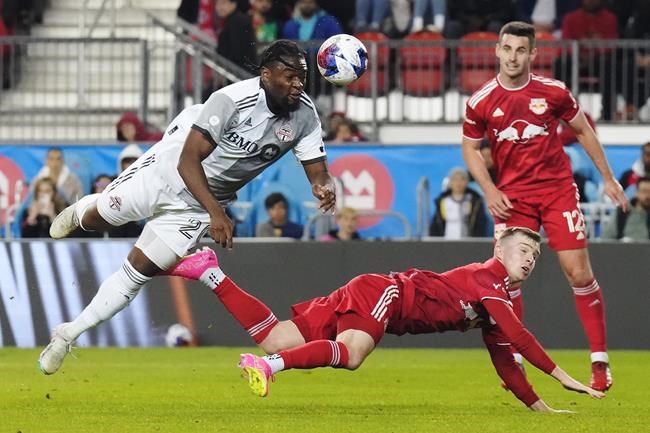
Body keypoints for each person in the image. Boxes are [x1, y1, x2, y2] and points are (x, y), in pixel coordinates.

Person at [38, 40, 337, 375]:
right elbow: (188, 161)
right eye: (290, 76)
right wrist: (216, 213)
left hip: (197, 207)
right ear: (266, 75)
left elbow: (318, 171)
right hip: (167, 172)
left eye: (302, 77)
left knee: (138, 272)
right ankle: (83, 209)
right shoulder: (232, 100)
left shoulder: (305, 116)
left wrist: (323, 185)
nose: (298, 84)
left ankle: (67, 334)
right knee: (100, 218)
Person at [163, 227, 605, 410]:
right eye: (523, 250)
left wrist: (541, 408)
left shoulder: (500, 298)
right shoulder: (487, 279)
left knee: (277, 336)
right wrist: (563, 376)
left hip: (374, 293)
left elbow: (505, 357)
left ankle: (210, 272)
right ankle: (269, 367)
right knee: (353, 354)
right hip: (386, 293)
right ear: (499, 249)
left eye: (534, 256)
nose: (528, 260)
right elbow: (520, 337)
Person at [461, 21, 629, 391]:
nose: (513, 57)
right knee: (508, 276)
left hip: (557, 192)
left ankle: (600, 361)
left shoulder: (553, 92)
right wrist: (489, 189)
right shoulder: (481, 100)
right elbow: (470, 148)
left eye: (521, 50)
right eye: (507, 49)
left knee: (578, 273)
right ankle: (515, 361)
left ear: (533, 54)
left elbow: (583, 130)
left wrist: (608, 178)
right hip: (512, 197)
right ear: (497, 51)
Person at [429, 167, 488, 238]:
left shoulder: (474, 201)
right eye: (455, 179)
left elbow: (480, 223)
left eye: (462, 179)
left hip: (468, 240)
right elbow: (437, 224)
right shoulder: (442, 201)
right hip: (447, 240)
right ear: (450, 182)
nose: (458, 183)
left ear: (467, 182)